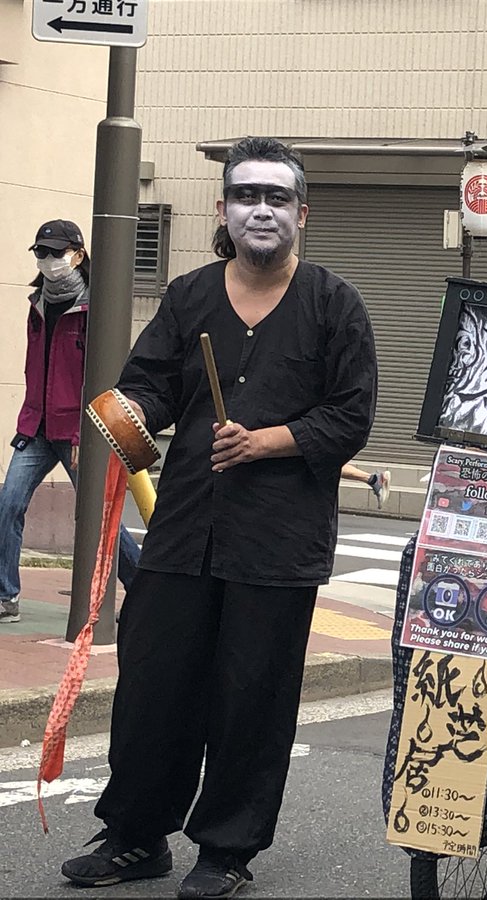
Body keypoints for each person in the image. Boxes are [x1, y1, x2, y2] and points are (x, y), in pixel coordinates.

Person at [60, 137, 377, 898]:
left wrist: (269, 439)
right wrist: (130, 412)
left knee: (251, 696)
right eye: (245, 196)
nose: (259, 210)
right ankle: (137, 837)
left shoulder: (334, 304)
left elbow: (352, 415)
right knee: (153, 686)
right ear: (223, 208)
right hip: (184, 529)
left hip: (278, 539)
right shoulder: (191, 294)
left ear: (302, 212)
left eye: (275, 198)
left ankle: (226, 849)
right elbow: (151, 386)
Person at [0, 221, 142, 625]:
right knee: (8, 504)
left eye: (54, 253)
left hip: (81, 429)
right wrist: (28, 415)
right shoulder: (38, 303)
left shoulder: (95, 306)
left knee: (99, 517)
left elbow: (103, 374)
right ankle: (5, 595)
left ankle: (145, 588)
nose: (47, 261)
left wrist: (86, 433)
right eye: (40, 253)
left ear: (78, 256)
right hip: (37, 426)